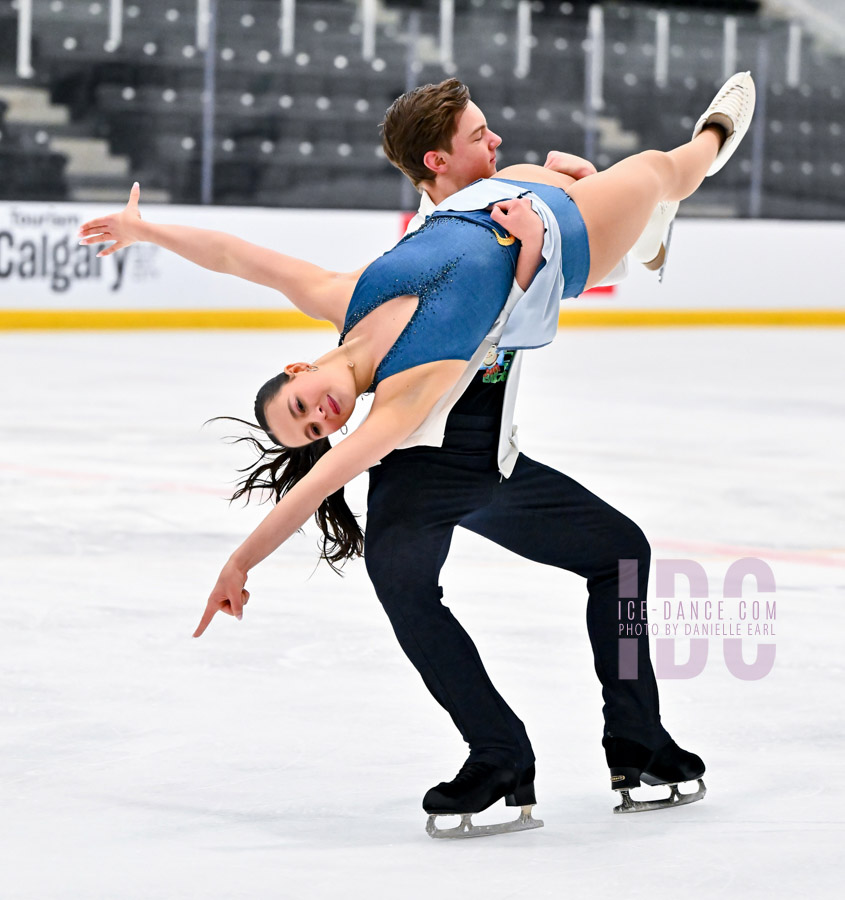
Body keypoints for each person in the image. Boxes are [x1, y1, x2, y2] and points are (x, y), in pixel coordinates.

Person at [78, 72, 754, 832]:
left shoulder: (354, 291)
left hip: (486, 459)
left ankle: (637, 738)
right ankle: (499, 753)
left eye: (302, 404)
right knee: (405, 584)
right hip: (424, 476)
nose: (321, 415)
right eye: (312, 427)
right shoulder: (398, 399)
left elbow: (243, 257)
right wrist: (240, 562)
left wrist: (147, 230)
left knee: (619, 553)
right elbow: (328, 474)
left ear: (302, 367)